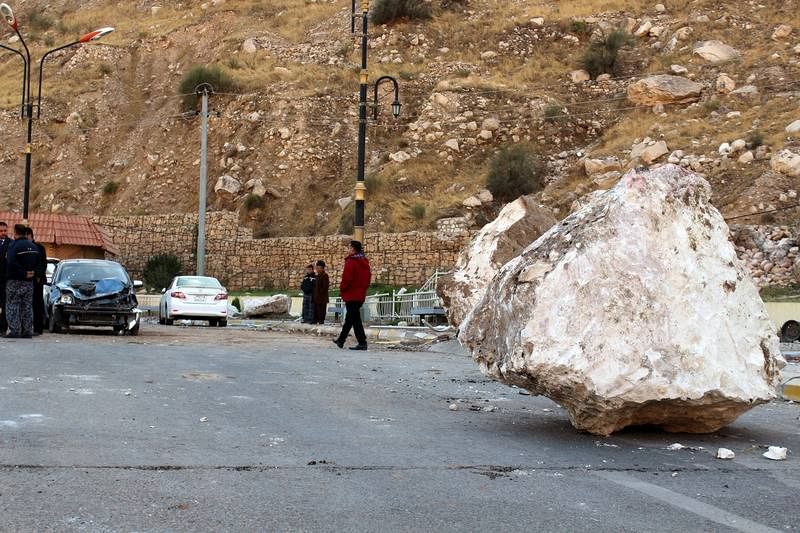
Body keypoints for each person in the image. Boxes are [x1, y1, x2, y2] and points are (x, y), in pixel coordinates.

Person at [333, 240, 371, 350]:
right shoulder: (364, 261)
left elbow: (347, 278)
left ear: (353, 249)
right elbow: (368, 278)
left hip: (351, 294)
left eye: (349, 247)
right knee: (351, 318)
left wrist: (342, 289)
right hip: (360, 294)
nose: (347, 249)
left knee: (355, 319)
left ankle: (362, 342)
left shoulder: (351, 261)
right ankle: (341, 340)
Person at [4, 224, 40, 339]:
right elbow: (38, 262)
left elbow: (11, 261)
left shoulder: (13, 245)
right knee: (27, 305)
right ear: (25, 233)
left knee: (12, 304)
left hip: (14, 280)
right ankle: (28, 330)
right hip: (29, 281)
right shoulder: (33, 246)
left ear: (15, 232)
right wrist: (32, 272)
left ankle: (15, 330)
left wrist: (23, 272)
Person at [25, 227, 47, 335]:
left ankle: (38, 328)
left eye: (26, 236)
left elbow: (43, 263)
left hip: (36, 281)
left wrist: (37, 274)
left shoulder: (39, 247)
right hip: (24, 280)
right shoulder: (22, 248)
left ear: (30, 235)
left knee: (37, 304)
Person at [312, 260, 329, 324]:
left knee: (321, 311)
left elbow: (325, 287)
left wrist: (319, 293)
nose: (318, 269)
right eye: (317, 268)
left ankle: (321, 321)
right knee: (315, 311)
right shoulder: (316, 276)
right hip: (316, 297)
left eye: (320, 268)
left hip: (322, 298)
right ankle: (315, 321)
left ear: (323, 268)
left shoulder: (325, 275)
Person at [0, 221, 9, 335]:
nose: (3, 233)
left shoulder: (11, 244)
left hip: (6, 280)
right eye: (1, 231)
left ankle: (2, 328)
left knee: (5, 304)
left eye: (5, 231)